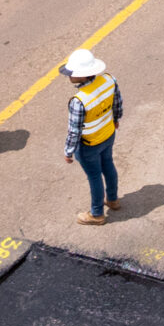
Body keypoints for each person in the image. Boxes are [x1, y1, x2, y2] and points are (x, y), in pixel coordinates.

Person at [63, 48, 122, 224]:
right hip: (108, 133)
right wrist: (116, 119)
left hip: (89, 144)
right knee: (108, 165)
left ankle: (96, 214)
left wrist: (68, 151)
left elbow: (74, 130)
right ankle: (113, 199)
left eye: (72, 73)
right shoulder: (109, 80)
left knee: (94, 176)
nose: (69, 75)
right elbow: (117, 103)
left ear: (82, 76)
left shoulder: (79, 100)